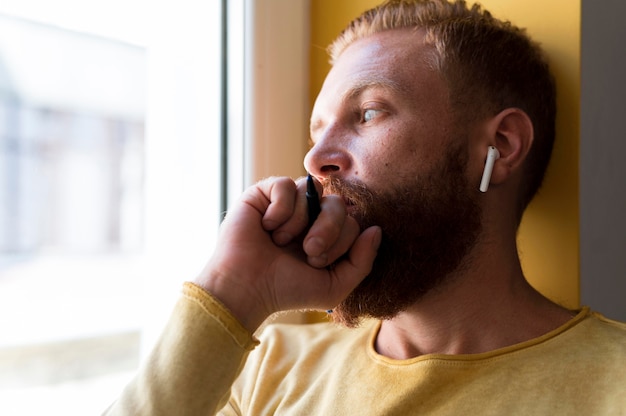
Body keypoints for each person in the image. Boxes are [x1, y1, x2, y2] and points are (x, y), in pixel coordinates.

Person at [104, 0, 626, 414]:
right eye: (317, 130)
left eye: (368, 113)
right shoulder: (265, 373)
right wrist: (232, 290)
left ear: (502, 146)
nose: (315, 158)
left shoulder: (613, 384)